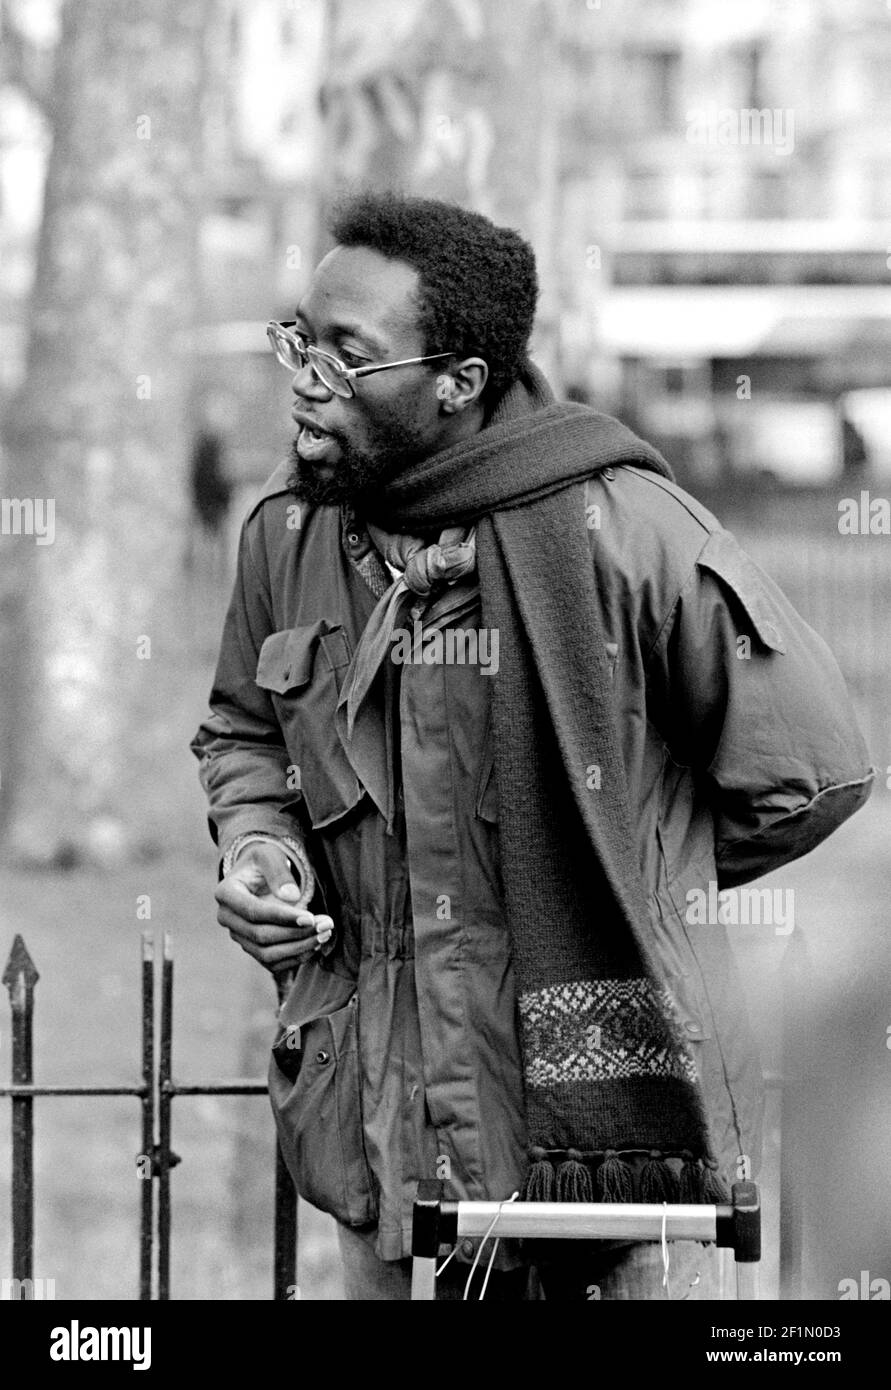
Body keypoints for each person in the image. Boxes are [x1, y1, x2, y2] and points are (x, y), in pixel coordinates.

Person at [191, 192, 874, 1301]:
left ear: (456, 382)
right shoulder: (288, 534)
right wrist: (260, 846)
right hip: (382, 1118)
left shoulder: (631, 532)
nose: (305, 374)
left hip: (630, 1139)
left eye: (346, 355)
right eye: (299, 339)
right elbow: (244, 731)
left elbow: (812, 772)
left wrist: (630, 872)